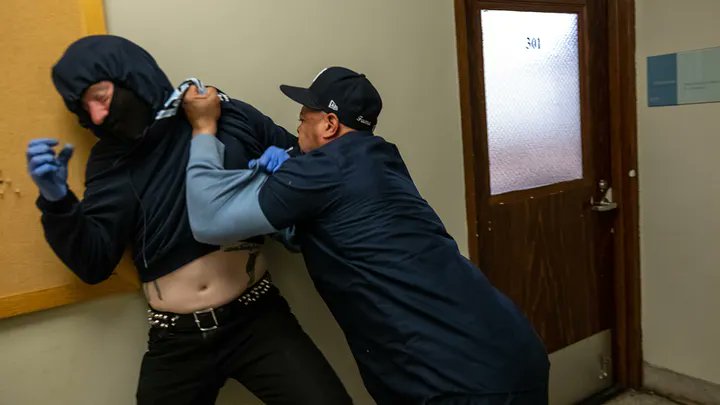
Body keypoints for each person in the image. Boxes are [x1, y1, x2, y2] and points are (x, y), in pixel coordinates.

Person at [182, 66, 550, 405]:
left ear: (328, 124)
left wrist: (202, 130)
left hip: (458, 379)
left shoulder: (324, 171)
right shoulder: (381, 157)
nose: (297, 130)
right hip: (506, 349)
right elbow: (330, 231)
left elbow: (208, 221)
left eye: (301, 119)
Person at [25, 35, 350, 405]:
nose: (97, 115)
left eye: (100, 97)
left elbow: (308, 163)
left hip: (257, 317)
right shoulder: (110, 162)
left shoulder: (225, 115)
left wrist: (288, 164)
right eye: (84, 108)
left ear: (131, 77)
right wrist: (57, 202)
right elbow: (94, 262)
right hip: (177, 340)